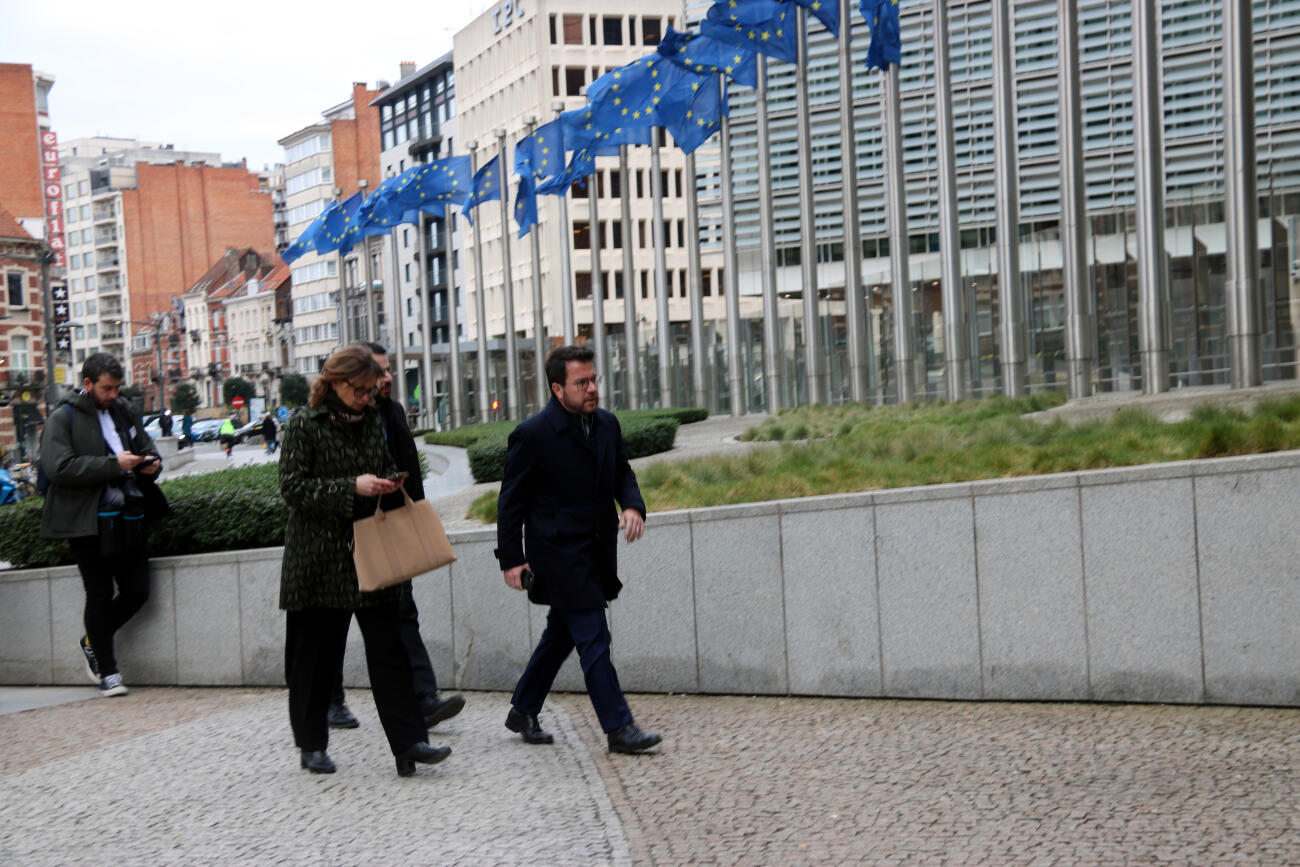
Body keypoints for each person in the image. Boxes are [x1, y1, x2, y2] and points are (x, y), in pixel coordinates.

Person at [278, 344, 451, 777]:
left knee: (389, 650)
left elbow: (384, 462)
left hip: (371, 552)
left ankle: (409, 742)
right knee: (315, 658)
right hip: (318, 559)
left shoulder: (373, 420)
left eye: (370, 390)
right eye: (358, 389)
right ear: (334, 382)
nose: (365, 397)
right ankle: (312, 743)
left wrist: (390, 482)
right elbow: (293, 489)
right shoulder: (305, 425)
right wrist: (350, 488)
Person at [496, 345, 662, 755]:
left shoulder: (606, 424)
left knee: (562, 635)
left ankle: (523, 707)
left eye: (593, 380)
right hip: (556, 556)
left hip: (596, 550)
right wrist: (512, 559)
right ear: (557, 389)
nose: (592, 389)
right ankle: (619, 728)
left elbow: (621, 470)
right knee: (593, 635)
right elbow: (510, 503)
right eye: (581, 382)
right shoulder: (532, 435)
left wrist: (634, 506)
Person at [328, 343, 466, 732]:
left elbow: (409, 467)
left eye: (389, 372)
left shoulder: (392, 412)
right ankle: (331, 699)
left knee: (404, 610)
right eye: (380, 373)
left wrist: (415, 514)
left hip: (389, 526)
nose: (388, 379)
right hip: (347, 534)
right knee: (336, 620)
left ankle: (424, 698)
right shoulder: (340, 419)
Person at [39, 352, 163, 698]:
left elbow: (145, 447)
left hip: (128, 514)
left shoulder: (124, 409)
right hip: (86, 521)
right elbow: (59, 467)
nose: (113, 395)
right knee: (99, 593)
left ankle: (92, 641)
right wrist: (114, 465)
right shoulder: (63, 418)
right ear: (88, 384)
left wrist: (151, 463)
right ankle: (109, 672)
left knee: (137, 591)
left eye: (117, 388)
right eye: (107, 388)